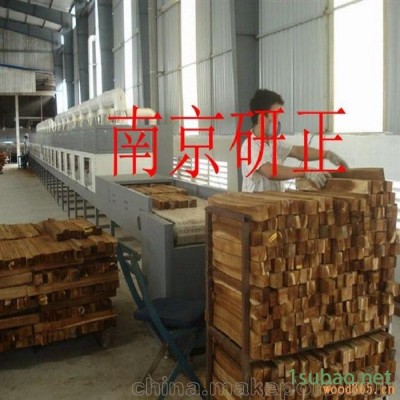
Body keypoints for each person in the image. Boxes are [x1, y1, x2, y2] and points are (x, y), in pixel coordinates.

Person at [240, 89, 348, 192]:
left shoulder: (273, 143)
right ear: (261, 117)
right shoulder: (249, 146)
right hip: (256, 203)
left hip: (275, 202)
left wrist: (326, 154)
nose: (278, 121)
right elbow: (270, 172)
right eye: (275, 115)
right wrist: (305, 171)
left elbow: (298, 151)